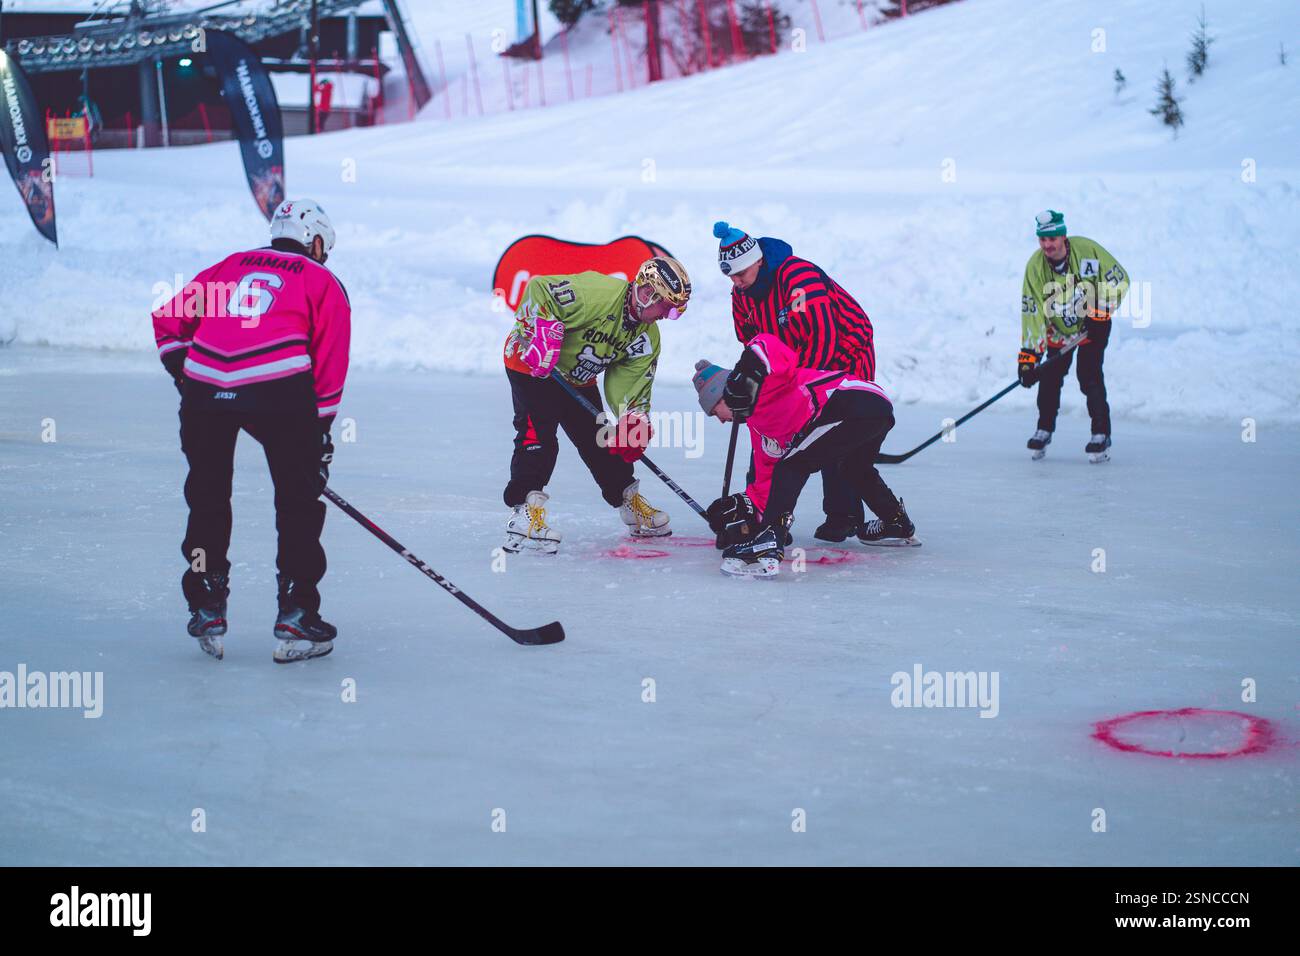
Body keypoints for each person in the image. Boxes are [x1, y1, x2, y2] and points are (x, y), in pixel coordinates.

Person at [151, 199, 351, 663]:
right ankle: (297, 613)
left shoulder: (229, 264)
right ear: (315, 241)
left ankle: (205, 604)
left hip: (205, 392)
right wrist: (318, 437)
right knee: (297, 504)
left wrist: (189, 373)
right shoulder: (321, 279)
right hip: (281, 392)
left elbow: (167, 320)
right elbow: (330, 361)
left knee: (207, 496)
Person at [500, 257, 691, 554]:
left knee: (601, 438)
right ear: (646, 293)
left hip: (577, 376)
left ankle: (629, 503)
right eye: (666, 306)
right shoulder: (596, 294)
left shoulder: (647, 335)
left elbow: (630, 382)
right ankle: (524, 512)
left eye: (673, 311)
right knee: (539, 434)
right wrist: (540, 331)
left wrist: (633, 419)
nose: (667, 315)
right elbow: (539, 289)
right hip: (532, 365)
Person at [695, 334, 918, 578]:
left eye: (715, 412)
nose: (721, 420)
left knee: (792, 466)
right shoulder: (760, 429)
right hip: (875, 409)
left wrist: (747, 374)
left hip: (851, 401)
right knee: (853, 469)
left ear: (724, 394)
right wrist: (745, 508)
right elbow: (767, 480)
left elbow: (767, 345)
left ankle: (768, 545)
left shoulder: (766, 383)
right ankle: (896, 522)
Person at [714, 220, 878, 542]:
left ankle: (843, 514)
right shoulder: (741, 294)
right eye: (730, 276)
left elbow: (824, 338)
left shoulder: (797, 277)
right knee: (769, 426)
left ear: (757, 262)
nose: (736, 282)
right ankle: (765, 513)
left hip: (845, 355)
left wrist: (798, 396)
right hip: (791, 364)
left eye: (740, 274)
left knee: (831, 430)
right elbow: (750, 340)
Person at [1018, 209, 1129, 462]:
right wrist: (1028, 358)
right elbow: (1032, 311)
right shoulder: (1035, 268)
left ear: (1063, 237)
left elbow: (1120, 280)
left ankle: (1100, 434)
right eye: (1042, 240)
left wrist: (1100, 313)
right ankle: (1043, 429)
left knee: (1088, 374)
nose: (1047, 245)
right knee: (1049, 377)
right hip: (1059, 329)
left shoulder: (1088, 251)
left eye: (1052, 239)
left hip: (1093, 325)